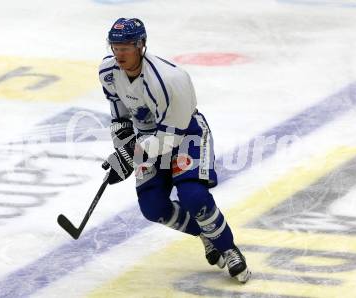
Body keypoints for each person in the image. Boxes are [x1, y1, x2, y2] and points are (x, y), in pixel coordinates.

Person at [98, 17, 251, 283]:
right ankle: (207, 235)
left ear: (141, 45)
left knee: (193, 194)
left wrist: (129, 157)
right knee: (153, 207)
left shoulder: (170, 80)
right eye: (116, 47)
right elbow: (120, 117)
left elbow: (169, 138)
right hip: (148, 139)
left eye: (126, 47)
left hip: (184, 135)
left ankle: (228, 248)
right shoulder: (108, 72)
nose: (120, 53)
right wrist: (122, 150)